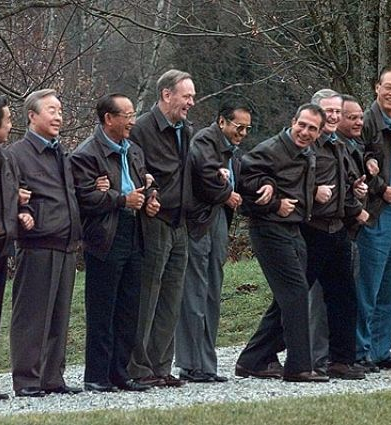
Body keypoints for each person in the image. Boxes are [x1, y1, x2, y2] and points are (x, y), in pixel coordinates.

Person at [71, 93, 160, 392]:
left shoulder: (133, 150)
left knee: (128, 307)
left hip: (134, 231)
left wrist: (151, 198)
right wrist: (121, 200)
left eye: (133, 115)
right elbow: (85, 197)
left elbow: (144, 183)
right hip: (105, 237)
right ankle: (97, 375)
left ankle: (120, 373)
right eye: (128, 115)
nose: (133, 121)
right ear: (109, 118)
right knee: (102, 308)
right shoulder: (86, 154)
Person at [235, 103, 329, 382]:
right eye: (302, 125)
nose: (305, 132)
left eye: (312, 128)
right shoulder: (270, 149)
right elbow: (246, 181)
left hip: (295, 228)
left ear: (319, 133)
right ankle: (299, 367)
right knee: (296, 294)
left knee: (287, 297)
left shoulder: (307, 153)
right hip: (269, 229)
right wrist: (273, 201)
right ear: (292, 121)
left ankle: (252, 359)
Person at [9, 89, 83, 397]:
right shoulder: (16, 154)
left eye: (60, 111)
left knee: (58, 317)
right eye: (51, 110)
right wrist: (22, 209)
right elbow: (7, 194)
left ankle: (52, 378)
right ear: (32, 115)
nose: (58, 117)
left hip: (66, 244)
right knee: (32, 317)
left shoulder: (61, 153)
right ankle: (27, 380)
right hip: (37, 244)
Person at [127, 69, 195, 388]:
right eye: (186, 96)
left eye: (192, 97)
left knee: (171, 298)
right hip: (154, 222)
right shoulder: (142, 128)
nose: (191, 102)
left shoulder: (186, 130)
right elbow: (134, 168)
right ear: (167, 95)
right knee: (148, 296)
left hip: (181, 223)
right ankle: (138, 367)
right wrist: (150, 195)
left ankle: (161, 365)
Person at [175, 102, 250, 383]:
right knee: (194, 292)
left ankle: (206, 365)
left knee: (211, 292)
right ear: (222, 122)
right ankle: (190, 364)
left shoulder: (230, 149)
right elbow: (206, 175)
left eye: (247, 128)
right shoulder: (205, 140)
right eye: (239, 127)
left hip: (216, 219)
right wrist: (226, 192)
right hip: (200, 222)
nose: (243, 133)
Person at [304, 89, 368, 380]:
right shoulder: (307, 144)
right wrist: (313, 192)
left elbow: (344, 185)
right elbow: (292, 182)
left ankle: (341, 360)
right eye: (327, 111)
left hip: (339, 228)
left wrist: (356, 195)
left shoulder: (339, 145)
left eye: (337, 112)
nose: (333, 116)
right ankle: (312, 359)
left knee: (344, 298)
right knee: (311, 300)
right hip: (313, 229)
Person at [356, 67, 391, 372]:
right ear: (376, 87)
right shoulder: (366, 122)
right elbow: (356, 162)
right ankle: (360, 350)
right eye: (387, 87)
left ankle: (380, 350)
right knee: (369, 284)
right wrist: (381, 188)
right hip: (376, 210)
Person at [0, 96, 34, 402]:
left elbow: (6, 195)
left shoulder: (5, 157)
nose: (12, 125)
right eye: (8, 120)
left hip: (0, 247)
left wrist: (20, 209)